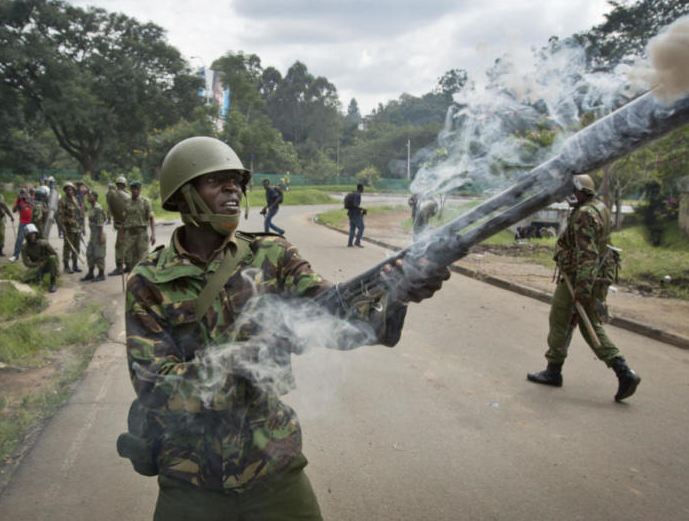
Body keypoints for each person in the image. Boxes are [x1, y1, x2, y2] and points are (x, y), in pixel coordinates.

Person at [118, 136, 449, 520]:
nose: (233, 190)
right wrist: (240, 359)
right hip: (190, 478)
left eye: (236, 182)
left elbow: (333, 315)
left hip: (272, 464)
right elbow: (153, 386)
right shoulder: (149, 281)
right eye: (217, 181)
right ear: (184, 195)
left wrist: (397, 291)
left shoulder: (272, 254)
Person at [526, 174, 641, 401]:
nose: (570, 195)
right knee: (573, 322)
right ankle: (554, 369)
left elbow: (587, 254)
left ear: (583, 192)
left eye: (574, 191)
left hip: (581, 278)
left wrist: (582, 288)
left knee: (574, 323)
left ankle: (622, 370)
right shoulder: (598, 207)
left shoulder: (584, 215)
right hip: (593, 276)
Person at [120, 179, 155, 271]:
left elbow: (151, 218)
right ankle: (134, 277)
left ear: (140, 190)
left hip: (141, 234)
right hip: (130, 234)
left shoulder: (145, 202)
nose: (135, 191)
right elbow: (124, 220)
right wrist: (121, 236)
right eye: (133, 189)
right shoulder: (127, 202)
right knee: (130, 257)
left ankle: (145, 277)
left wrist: (153, 234)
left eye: (137, 189)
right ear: (130, 190)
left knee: (143, 257)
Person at [19, 223, 59, 293]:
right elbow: (26, 262)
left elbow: (55, 254)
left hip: (47, 264)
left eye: (34, 233)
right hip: (36, 266)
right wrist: (36, 264)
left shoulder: (43, 243)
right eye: (30, 234)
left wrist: (57, 267)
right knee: (23, 278)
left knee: (52, 258)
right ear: (26, 235)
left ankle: (53, 283)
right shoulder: (25, 247)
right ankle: (37, 279)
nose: (32, 236)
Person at [57, 181, 84, 273]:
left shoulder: (75, 199)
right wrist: (63, 228)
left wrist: (81, 226)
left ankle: (75, 265)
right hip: (68, 228)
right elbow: (60, 215)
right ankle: (66, 265)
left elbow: (78, 213)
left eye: (71, 189)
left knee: (77, 247)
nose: (70, 191)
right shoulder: (62, 201)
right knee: (68, 247)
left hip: (76, 227)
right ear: (65, 190)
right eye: (68, 189)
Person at [81, 191, 108, 282]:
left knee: (99, 254)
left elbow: (100, 224)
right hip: (93, 234)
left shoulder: (98, 208)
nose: (88, 197)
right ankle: (90, 273)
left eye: (90, 196)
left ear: (95, 198)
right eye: (88, 196)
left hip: (98, 233)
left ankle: (101, 274)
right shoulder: (92, 208)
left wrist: (100, 237)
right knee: (90, 253)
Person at [106, 175, 129, 276]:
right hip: (128, 224)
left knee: (119, 246)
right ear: (125, 185)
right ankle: (129, 265)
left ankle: (120, 266)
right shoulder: (127, 196)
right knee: (127, 245)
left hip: (121, 224)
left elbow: (109, 206)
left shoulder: (112, 195)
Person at [11, 188, 33, 261]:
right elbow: (14, 210)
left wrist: (28, 202)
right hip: (23, 222)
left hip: (31, 221)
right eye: (21, 193)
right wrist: (18, 201)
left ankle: (31, 256)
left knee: (31, 239)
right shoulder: (18, 201)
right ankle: (15, 255)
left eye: (24, 193)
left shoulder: (31, 198)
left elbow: (35, 206)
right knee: (20, 238)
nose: (23, 195)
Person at [346, 183, 366, 247]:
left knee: (352, 228)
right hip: (355, 214)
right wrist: (362, 209)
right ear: (360, 188)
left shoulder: (354, 193)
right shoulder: (358, 194)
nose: (363, 189)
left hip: (350, 213)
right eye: (363, 188)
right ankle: (357, 242)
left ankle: (350, 243)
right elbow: (355, 204)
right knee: (362, 227)